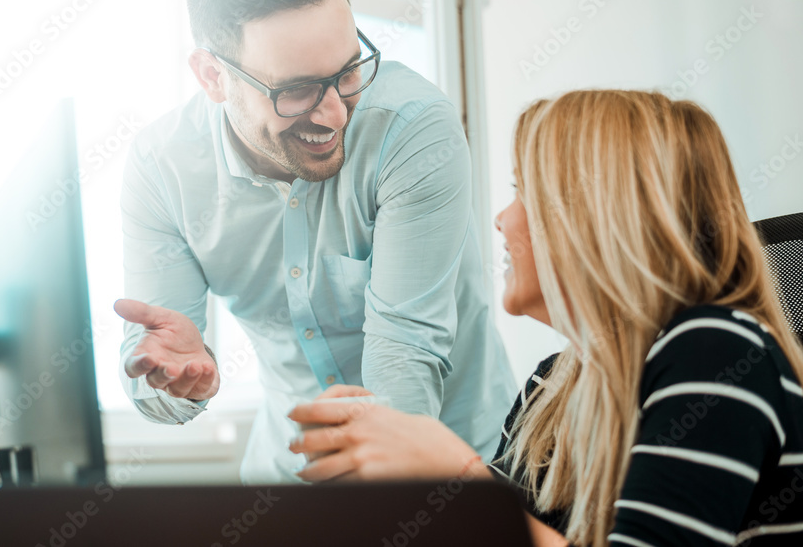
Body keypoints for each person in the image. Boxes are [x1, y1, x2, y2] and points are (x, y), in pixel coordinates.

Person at [289, 90, 803, 547]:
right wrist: (396, 480)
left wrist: (455, 475)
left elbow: (495, 521)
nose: (502, 218)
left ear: (601, 218)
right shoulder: (552, 386)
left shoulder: (718, 351)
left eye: (524, 193)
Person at [114, 0, 517, 483]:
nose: (333, 114)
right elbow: (154, 371)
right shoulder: (163, 169)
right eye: (296, 90)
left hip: (452, 464)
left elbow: (405, 356)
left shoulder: (412, 129)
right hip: (291, 475)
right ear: (213, 77)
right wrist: (174, 383)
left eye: (348, 70)